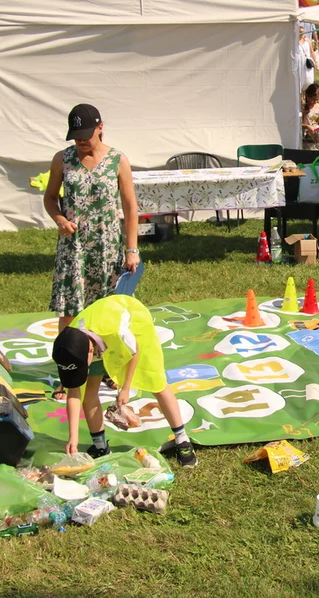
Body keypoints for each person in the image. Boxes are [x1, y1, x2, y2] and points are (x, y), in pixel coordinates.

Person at [52, 294, 197, 466]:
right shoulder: (71, 344)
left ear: (90, 351)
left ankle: (182, 439)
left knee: (155, 380)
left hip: (134, 324)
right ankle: (100, 445)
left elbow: (134, 349)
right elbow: (74, 394)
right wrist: (73, 438)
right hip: (98, 338)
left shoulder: (115, 330)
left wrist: (125, 388)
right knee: (90, 389)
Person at [44, 104, 140, 332]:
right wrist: (60, 220)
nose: (80, 142)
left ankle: (108, 358)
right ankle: (70, 360)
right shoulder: (62, 159)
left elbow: (129, 207)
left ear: (100, 128)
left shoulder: (118, 160)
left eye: (85, 136)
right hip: (73, 248)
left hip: (107, 248)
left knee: (111, 309)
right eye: (75, 138)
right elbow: (49, 198)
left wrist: (132, 249)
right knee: (70, 310)